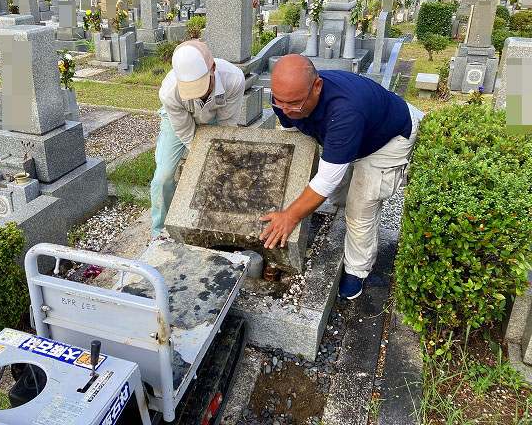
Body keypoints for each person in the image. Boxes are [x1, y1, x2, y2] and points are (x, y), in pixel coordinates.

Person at [259, 54, 425, 299]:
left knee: (360, 207)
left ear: (317, 87)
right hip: (350, 136)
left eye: (293, 104)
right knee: (339, 194)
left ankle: (357, 269)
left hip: (387, 139)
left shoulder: (345, 110)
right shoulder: (284, 99)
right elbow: (294, 138)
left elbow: (325, 180)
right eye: (279, 102)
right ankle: (344, 221)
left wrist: (291, 215)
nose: (285, 110)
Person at [150, 41, 246, 236]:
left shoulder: (234, 79)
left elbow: (226, 125)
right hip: (178, 119)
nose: (198, 94)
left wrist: (219, 157)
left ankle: (213, 220)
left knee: (223, 166)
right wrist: (202, 155)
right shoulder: (170, 91)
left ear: (213, 68)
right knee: (163, 176)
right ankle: (159, 229)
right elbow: (185, 131)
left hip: (214, 119)